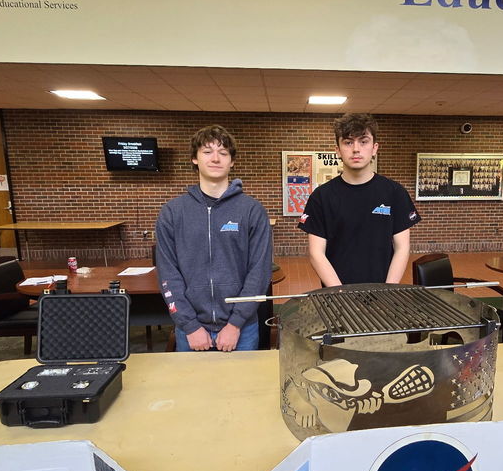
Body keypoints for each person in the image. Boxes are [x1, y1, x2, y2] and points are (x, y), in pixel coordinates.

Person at [156, 125, 272, 352]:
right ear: (194, 159)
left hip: (242, 329)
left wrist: (235, 324)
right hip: (190, 331)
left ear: (232, 161)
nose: (216, 158)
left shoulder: (252, 211)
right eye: (207, 151)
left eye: (223, 152)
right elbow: (168, 274)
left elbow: (259, 273)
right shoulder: (172, 212)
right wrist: (190, 326)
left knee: (243, 388)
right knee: (194, 388)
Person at [298, 112, 420, 285]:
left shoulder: (394, 192)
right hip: (336, 296)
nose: (356, 148)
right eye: (348, 142)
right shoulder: (321, 197)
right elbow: (316, 253)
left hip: (384, 295)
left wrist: (388, 290)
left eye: (363, 141)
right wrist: (339, 293)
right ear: (338, 150)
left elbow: (402, 248)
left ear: (375, 148)